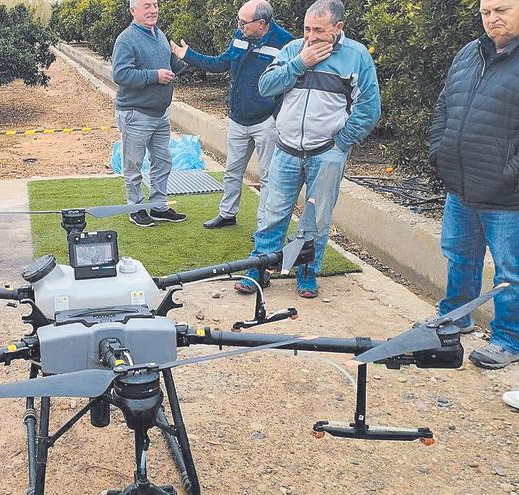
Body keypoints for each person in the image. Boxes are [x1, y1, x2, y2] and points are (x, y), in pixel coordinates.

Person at [234, 0, 380, 299]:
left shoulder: (357, 57)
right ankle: (260, 269)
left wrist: (339, 144)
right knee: (273, 213)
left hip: (326, 153)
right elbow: (266, 85)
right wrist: (301, 62)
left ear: (338, 28)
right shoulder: (293, 50)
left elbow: (369, 109)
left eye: (319, 30)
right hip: (286, 149)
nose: (310, 36)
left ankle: (306, 271)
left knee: (316, 218)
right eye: (306, 28)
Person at [429, 0, 519, 369]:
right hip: (461, 186)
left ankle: (508, 339)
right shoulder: (470, 52)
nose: (492, 19)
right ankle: (454, 318)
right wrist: (439, 150)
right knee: (459, 257)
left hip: (507, 196)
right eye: (485, 12)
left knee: (510, 272)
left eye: (502, 10)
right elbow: (444, 104)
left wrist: (509, 172)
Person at [170, 0, 293, 230]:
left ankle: (264, 226)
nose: (239, 26)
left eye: (243, 22)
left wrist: (277, 116)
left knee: (268, 177)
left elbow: (291, 82)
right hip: (238, 118)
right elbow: (220, 64)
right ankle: (227, 214)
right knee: (232, 171)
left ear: (261, 23)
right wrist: (188, 55)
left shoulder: (285, 42)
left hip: (266, 121)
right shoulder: (240, 35)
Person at [111, 0, 188, 227]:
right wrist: (154, 76)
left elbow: (168, 64)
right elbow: (121, 75)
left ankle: (158, 206)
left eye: (155, 5)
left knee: (162, 162)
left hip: (160, 113)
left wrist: (182, 61)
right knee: (134, 165)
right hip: (136, 113)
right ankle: (136, 209)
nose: (153, 10)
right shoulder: (126, 39)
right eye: (146, 6)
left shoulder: (159, 34)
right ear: (133, 10)